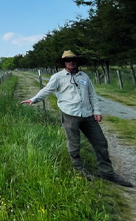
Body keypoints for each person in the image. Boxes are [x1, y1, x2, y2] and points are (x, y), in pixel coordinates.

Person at [21, 50, 132, 187]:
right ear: (64, 63)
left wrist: (96, 111)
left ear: (77, 62)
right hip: (70, 114)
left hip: (87, 114)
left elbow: (92, 94)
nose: (71, 62)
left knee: (101, 142)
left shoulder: (84, 76)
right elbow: (47, 90)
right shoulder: (58, 77)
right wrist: (33, 99)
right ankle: (79, 170)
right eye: (68, 60)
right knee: (74, 144)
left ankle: (106, 173)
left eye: (73, 60)